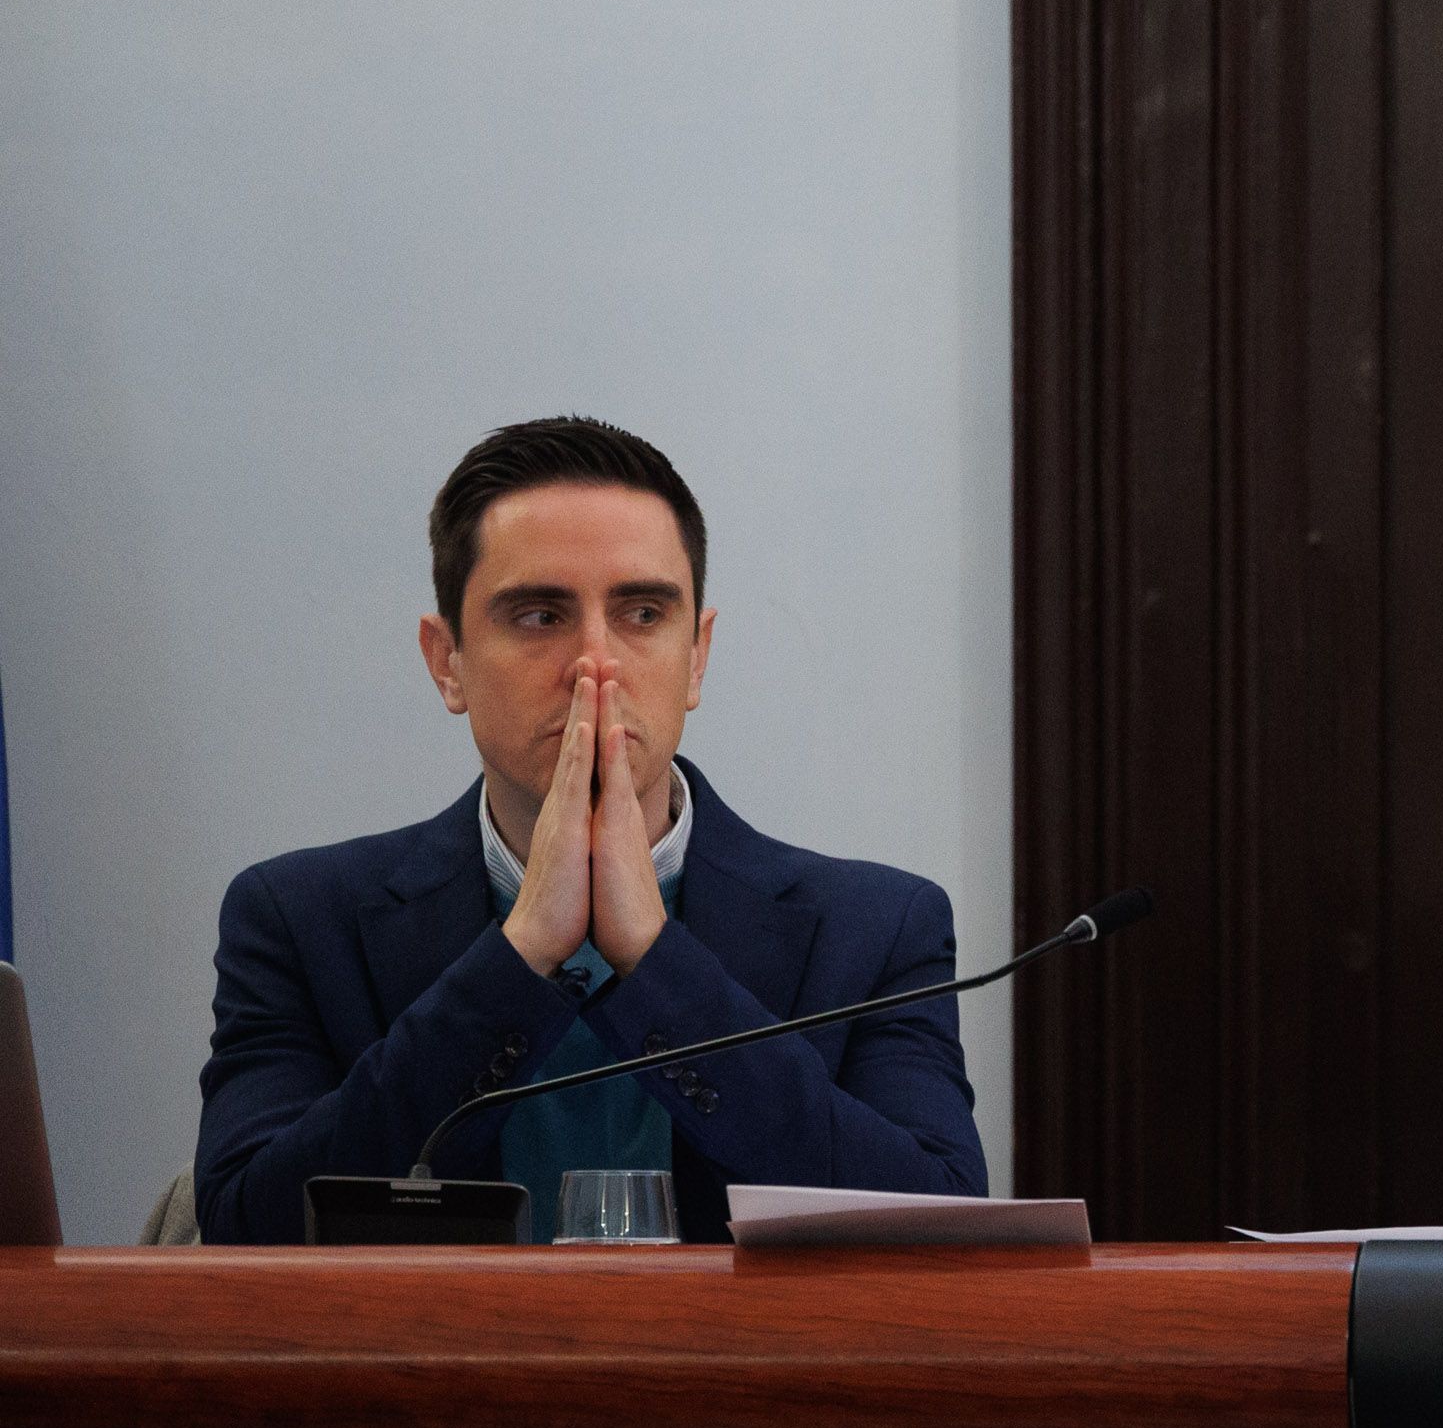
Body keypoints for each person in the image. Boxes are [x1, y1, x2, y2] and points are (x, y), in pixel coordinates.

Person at [193, 416, 984, 1242]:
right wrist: (521, 950)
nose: (594, 663)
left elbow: (940, 1231)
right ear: (447, 661)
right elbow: (248, 1229)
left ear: (697, 657)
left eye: (643, 612)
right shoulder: (295, 920)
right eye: (539, 615)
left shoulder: (878, 929)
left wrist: (656, 957)